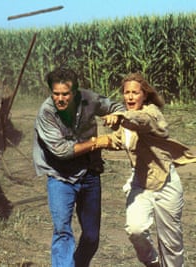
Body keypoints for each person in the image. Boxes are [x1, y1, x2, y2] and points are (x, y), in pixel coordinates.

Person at [102, 72, 196, 267]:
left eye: (135, 93)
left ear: (144, 95)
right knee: (135, 229)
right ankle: (153, 263)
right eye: (126, 93)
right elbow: (117, 139)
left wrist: (120, 116)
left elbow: (140, 121)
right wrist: (92, 143)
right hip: (140, 183)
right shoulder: (126, 121)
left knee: (171, 243)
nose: (130, 97)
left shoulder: (151, 113)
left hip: (165, 183)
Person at [32, 67, 124, 267]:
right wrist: (97, 142)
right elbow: (63, 151)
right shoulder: (46, 112)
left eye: (65, 94)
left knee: (91, 237)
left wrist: (116, 117)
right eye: (56, 94)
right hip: (60, 176)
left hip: (90, 174)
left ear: (75, 92)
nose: (60, 98)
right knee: (62, 231)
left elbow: (117, 107)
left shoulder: (89, 99)